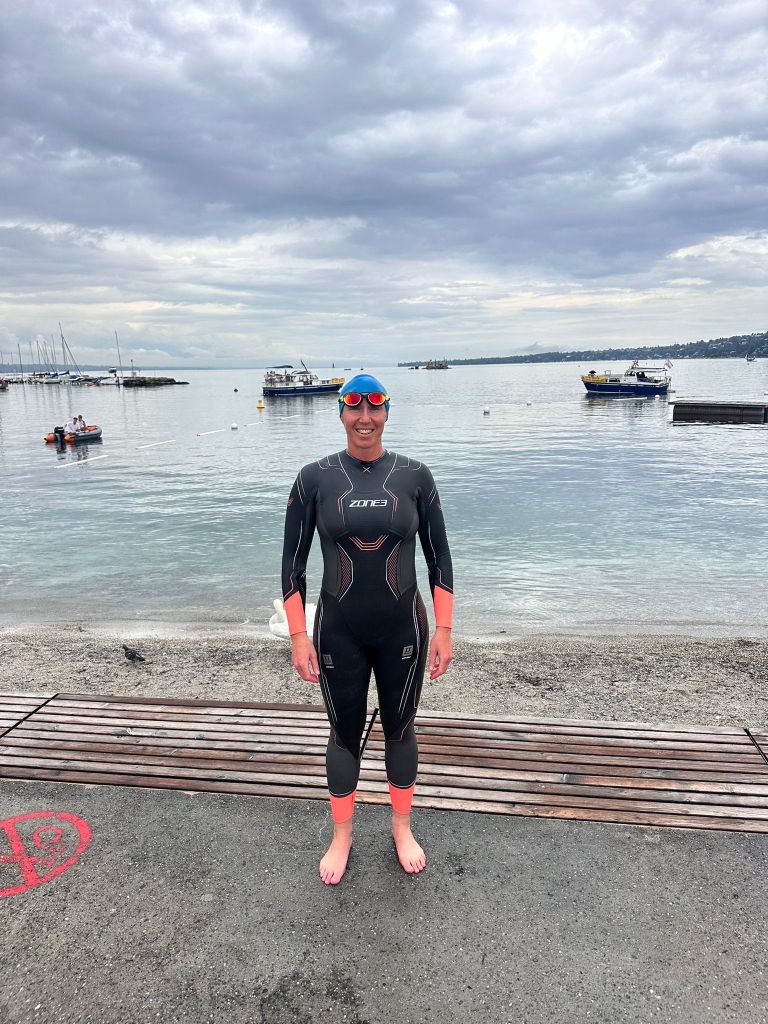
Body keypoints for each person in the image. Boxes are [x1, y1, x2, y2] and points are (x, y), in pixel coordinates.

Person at [281, 373, 453, 885]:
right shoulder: (314, 478)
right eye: (354, 409)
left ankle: (402, 828)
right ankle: (342, 835)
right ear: (341, 414)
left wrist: (444, 628)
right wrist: (297, 634)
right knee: (344, 733)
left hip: (404, 626)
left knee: (400, 730)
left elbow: (439, 557)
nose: (364, 418)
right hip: (339, 628)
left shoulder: (415, 476)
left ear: (385, 414)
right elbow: (292, 565)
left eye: (374, 408)